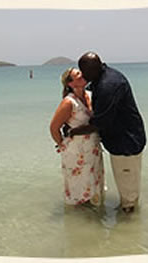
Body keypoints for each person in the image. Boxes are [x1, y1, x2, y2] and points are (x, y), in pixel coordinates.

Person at [71, 52, 146, 214]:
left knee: (129, 195)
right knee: (128, 185)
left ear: (93, 69)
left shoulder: (108, 85)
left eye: (84, 71)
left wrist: (74, 131)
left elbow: (100, 122)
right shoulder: (103, 78)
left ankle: (128, 228)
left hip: (126, 143)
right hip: (125, 139)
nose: (83, 75)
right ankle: (129, 224)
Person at [49, 67, 105, 207]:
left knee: (94, 186)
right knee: (77, 190)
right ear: (71, 84)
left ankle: (93, 222)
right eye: (78, 75)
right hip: (75, 152)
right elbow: (54, 127)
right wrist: (63, 144)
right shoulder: (69, 102)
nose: (82, 75)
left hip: (93, 149)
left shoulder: (91, 95)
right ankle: (76, 223)